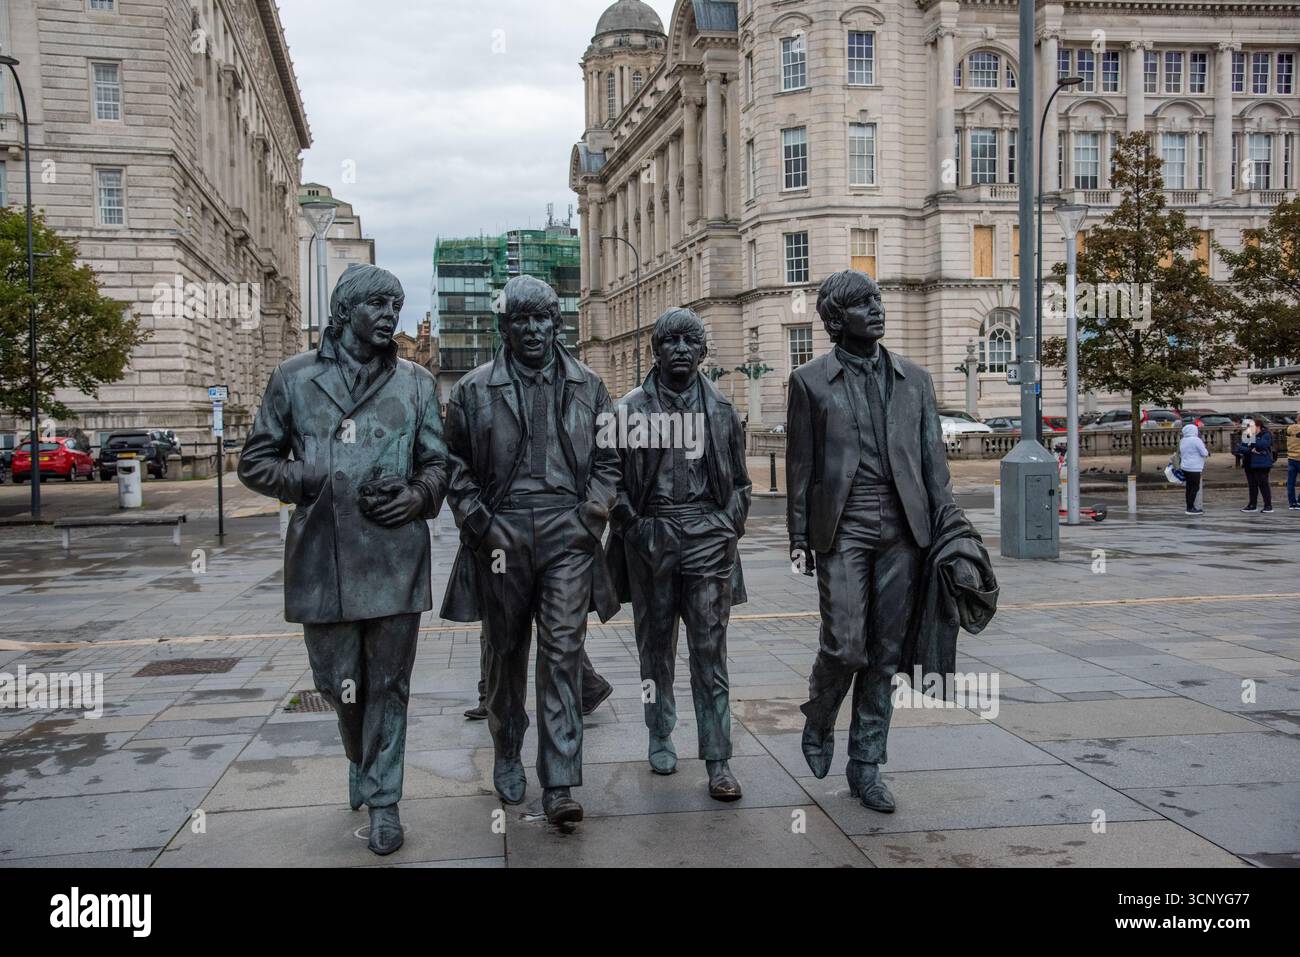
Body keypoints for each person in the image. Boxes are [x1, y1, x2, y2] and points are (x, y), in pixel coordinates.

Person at [238, 264, 447, 856]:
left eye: (396, 306)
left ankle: (384, 800)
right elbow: (255, 462)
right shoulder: (294, 378)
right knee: (338, 684)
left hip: (394, 555)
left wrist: (416, 495)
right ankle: (360, 757)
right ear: (344, 310)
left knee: (390, 684)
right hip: (322, 559)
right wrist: (307, 477)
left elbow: (440, 464)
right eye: (378, 304)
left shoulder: (416, 383)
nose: (389, 316)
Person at [786, 269, 998, 813]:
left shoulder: (916, 381)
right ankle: (820, 713)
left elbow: (935, 467)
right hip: (843, 526)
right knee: (845, 644)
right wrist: (798, 537)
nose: (877, 310)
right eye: (862, 304)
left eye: (877, 300)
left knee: (884, 654)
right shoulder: (809, 382)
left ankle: (867, 764)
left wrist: (951, 533)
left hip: (906, 529)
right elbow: (801, 467)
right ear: (836, 321)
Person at [440, 275, 621, 826]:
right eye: (520, 320)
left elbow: (611, 462)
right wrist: (481, 523)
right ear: (505, 328)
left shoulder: (589, 386)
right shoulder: (473, 390)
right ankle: (505, 748)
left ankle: (561, 780)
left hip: (568, 535)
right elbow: (453, 467)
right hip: (503, 532)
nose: (533, 329)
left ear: (555, 322)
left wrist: (591, 516)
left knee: (563, 653)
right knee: (504, 651)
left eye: (542, 318)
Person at [605, 307, 752, 801]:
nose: (682, 350)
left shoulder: (723, 411)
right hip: (654, 541)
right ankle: (660, 731)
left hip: (709, 539)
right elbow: (610, 484)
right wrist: (638, 530)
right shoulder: (628, 412)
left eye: (691, 341)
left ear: (704, 350)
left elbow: (742, 486)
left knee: (711, 654)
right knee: (655, 649)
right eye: (671, 341)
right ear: (656, 350)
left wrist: (727, 526)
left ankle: (718, 758)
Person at [1237, 419, 1275, 514]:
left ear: (1258, 426)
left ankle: (1268, 505)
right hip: (1249, 463)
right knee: (1252, 486)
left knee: (1263, 485)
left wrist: (1252, 440)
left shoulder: (1265, 434)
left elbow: (1263, 445)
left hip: (1261, 464)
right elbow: (1240, 448)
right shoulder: (1247, 434)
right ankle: (1252, 505)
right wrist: (1250, 450)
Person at [1179, 422, 1208, 515]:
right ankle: (1190, 508)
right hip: (1194, 467)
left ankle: (1188, 506)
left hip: (1185, 466)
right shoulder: (1196, 440)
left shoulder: (1183, 440)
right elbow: (1204, 453)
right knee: (1195, 488)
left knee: (1188, 487)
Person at [1286, 412, 1300, 511]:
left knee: (1291, 482)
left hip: (1291, 458)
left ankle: (1292, 503)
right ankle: (1299, 501)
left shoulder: (1290, 428)